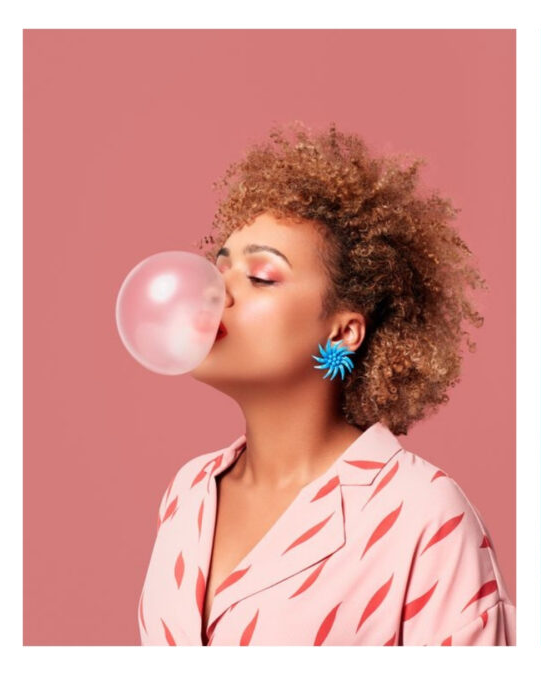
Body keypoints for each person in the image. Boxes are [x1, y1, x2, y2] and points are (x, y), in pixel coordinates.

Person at [137, 124, 514, 646]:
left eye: (260, 276)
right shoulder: (188, 491)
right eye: (217, 270)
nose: (214, 293)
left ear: (342, 332)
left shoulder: (424, 513)